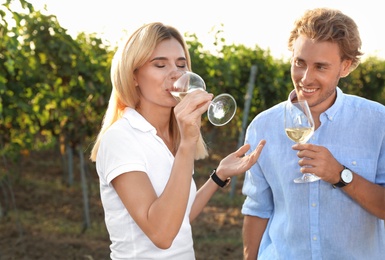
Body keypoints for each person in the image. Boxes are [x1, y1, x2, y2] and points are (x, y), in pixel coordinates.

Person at [89, 22, 265, 260]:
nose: (176, 74)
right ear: (133, 77)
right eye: (160, 65)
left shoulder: (174, 136)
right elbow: (162, 234)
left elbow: (180, 215)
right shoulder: (121, 138)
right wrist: (187, 145)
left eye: (181, 65)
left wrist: (218, 176)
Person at [241, 7, 385, 260]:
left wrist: (340, 175)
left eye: (320, 67)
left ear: (346, 66)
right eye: (299, 63)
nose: (305, 79)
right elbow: (257, 210)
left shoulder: (377, 122)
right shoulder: (263, 126)